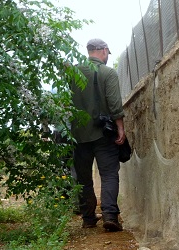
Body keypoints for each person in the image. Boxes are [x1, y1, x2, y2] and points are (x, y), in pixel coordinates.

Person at [70, 38, 126, 232]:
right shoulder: (108, 73)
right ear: (102, 51)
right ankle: (110, 216)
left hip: (77, 135)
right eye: (107, 53)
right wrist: (120, 127)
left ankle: (88, 218)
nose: (107, 57)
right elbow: (114, 104)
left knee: (83, 178)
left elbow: (63, 102)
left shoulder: (71, 73)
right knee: (109, 175)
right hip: (103, 134)